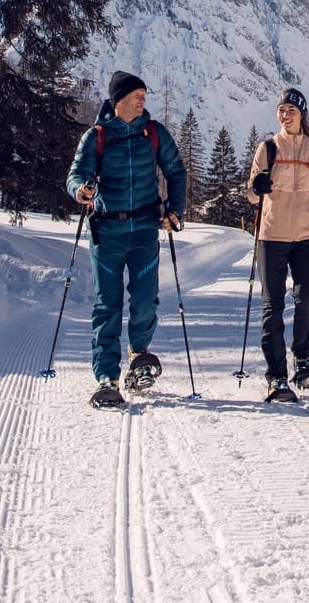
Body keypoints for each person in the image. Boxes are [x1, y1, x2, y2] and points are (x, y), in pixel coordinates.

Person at [66, 70, 187, 409]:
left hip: (145, 230)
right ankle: (107, 378)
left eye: (144, 95)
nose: (142, 99)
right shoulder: (97, 137)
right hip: (107, 232)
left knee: (146, 299)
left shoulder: (154, 133)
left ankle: (139, 354)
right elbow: (75, 174)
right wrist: (80, 189)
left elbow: (176, 171)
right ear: (119, 100)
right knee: (108, 304)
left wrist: (175, 209)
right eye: (136, 94)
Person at [247, 86, 309, 403]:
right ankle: (276, 376)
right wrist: (256, 186)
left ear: (302, 115)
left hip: (307, 236)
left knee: (306, 301)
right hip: (271, 235)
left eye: (291, 110)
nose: (285, 115)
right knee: (272, 307)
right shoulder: (267, 149)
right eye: (281, 110)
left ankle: (303, 359)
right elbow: (251, 193)